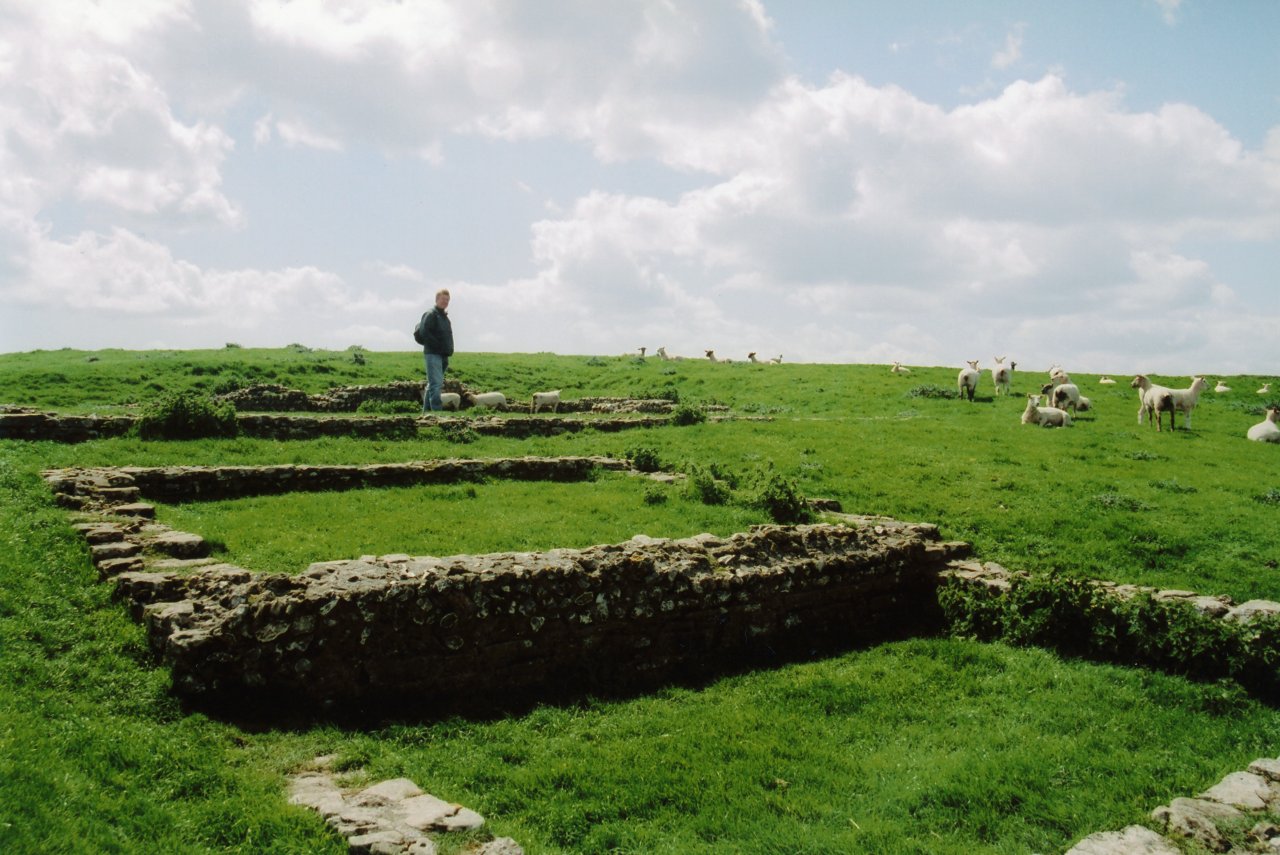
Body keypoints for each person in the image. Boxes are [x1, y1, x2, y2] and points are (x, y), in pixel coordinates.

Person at [419, 288, 453, 413]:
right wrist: (437, 346)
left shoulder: (444, 316)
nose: (445, 302)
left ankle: (426, 413)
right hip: (433, 354)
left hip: (443, 355)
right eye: (443, 299)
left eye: (447, 300)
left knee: (432, 384)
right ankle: (437, 413)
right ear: (437, 299)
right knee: (436, 384)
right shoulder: (431, 314)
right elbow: (424, 332)